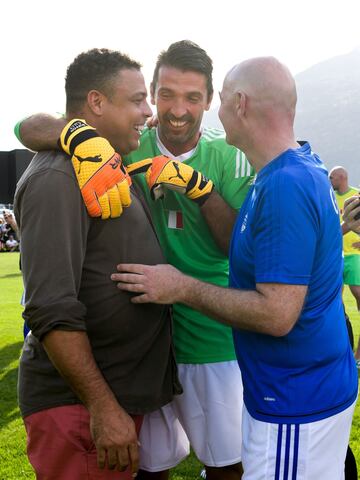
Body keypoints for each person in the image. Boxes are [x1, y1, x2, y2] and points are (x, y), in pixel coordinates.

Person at [111, 57, 358, 480]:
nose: (216, 112)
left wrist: (181, 288)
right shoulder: (293, 168)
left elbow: (277, 313)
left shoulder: (284, 184)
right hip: (298, 392)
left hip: (295, 400)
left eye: (220, 100)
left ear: (239, 103)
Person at [17, 40, 254, 480]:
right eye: (161, 95)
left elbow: (239, 248)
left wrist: (202, 191)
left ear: (209, 101)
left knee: (227, 462)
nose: (172, 109)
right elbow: (26, 126)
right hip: (141, 357)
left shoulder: (226, 155)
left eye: (192, 97)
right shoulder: (121, 143)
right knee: (151, 465)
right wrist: (75, 134)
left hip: (205, 337)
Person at [14, 48, 180, 480]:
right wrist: (103, 408)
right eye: (138, 100)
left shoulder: (102, 163)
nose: (149, 113)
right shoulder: (57, 177)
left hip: (113, 397)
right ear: (97, 103)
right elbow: (51, 307)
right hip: (82, 408)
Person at [329, 167, 360, 363]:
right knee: (335, 305)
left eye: (331, 176)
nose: (329, 179)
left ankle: (358, 355)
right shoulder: (329, 198)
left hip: (355, 257)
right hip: (337, 256)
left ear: (342, 177)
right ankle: (341, 353)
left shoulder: (355, 196)